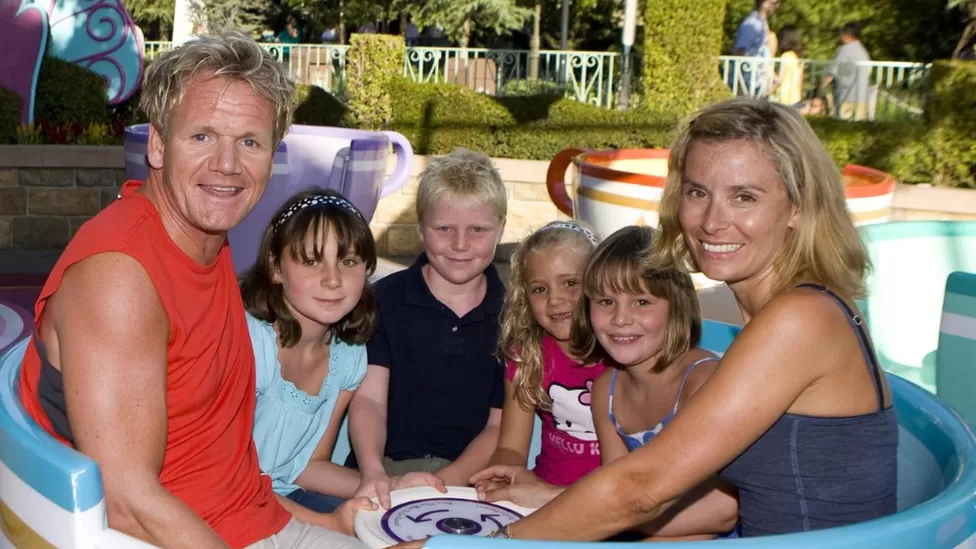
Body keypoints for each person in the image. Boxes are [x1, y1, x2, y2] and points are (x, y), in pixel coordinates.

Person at [465, 97, 899, 541]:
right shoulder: (789, 313)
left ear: (799, 207)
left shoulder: (800, 320)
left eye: (743, 196)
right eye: (698, 193)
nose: (712, 221)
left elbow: (640, 491)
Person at [17, 31, 370, 548]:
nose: (227, 165)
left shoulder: (204, 240)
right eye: (202, 136)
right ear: (158, 145)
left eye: (249, 141)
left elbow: (224, 468)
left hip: (252, 521)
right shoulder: (120, 276)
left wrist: (326, 524)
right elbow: (126, 502)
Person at [472, 226, 737, 541]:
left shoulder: (706, 382)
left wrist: (553, 499)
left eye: (641, 302)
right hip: (613, 523)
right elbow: (616, 492)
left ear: (676, 305)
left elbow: (720, 512)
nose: (621, 318)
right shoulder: (608, 390)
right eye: (607, 302)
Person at [240, 188, 446, 517]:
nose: (333, 279)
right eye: (311, 261)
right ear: (276, 267)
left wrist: (390, 485)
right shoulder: (249, 343)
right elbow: (223, 480)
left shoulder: (348, 356)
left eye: (348, 261)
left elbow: (308, 466)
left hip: (285, 495)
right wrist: (329, 524)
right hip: (225, 501)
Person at [346, 148, 509, 510]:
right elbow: (369, 399)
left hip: (469, 480)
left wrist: (442, 486)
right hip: (386, 470)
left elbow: (499, 427)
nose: (461, 244)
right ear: (420, 229)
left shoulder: (514, 315)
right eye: (444, 228)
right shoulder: (384, 299)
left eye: (478, 230)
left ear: (501, 228)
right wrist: (374, 473)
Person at [472, 221, 603, 508]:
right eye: (540, 289)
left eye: (570, 283)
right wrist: (502, 476)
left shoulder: (623, 357)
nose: (555, 300)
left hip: (609, 504)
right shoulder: (527, 357)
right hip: (540, 497)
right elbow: (510, 446)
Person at [824, 22, 873, 121]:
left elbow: (832, 73)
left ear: (846, 35)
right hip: (862, 97)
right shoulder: (863, 52)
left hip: (846, 97)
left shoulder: (844, 50)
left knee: (843, 124)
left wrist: (820, 87)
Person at [730, 0, 780, 95]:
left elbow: (761, 54)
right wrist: (738, 84)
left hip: (755, 83)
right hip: (747, 84)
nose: (777, 6)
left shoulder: (761, 23)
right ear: (763, 2)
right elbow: (740, 52)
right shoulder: (752, 24)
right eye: (775, 2)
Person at [772, 25, 804, 106]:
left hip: (784, 97)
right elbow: (799, 81)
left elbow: (780, 79)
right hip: (795, 98)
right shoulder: (797, 58)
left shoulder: (785, 57)